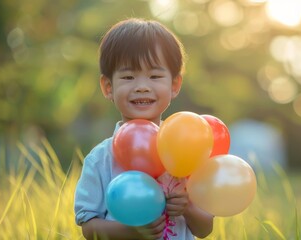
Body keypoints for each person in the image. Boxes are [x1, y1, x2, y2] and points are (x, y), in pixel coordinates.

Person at [74, 18, 214, 240]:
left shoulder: (190, 152)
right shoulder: (101, 159)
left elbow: (205, 229)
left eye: (155, 76)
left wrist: (187, 206)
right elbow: (89, 229)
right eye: (128, 77)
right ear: (108, 87)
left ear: (175, 85)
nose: (141, 87)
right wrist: (131, 231)